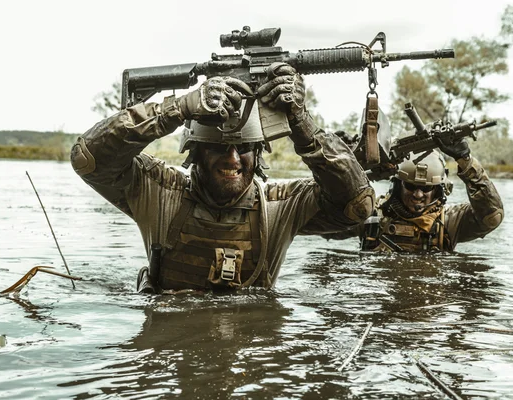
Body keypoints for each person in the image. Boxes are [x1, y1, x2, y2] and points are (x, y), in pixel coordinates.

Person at [70, 62, 375, 293]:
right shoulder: (159, 192)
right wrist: (175, 109)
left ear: (258, 155)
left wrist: (302, 124)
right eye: (217, 148)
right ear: (195, 153)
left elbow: (357, 205)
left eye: (243, 148)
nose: (232, 158)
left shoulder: (280, 207)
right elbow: (89, 159)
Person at [325, 137, 504, 252]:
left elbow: (491, 216)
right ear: (397, 185)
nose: (418, 195)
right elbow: (327, 228)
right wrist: (336, 167)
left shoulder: (450, 221)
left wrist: (466, 161)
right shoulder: (371, 215)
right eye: (410, 186)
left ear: (438, 189)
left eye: (426, 188)